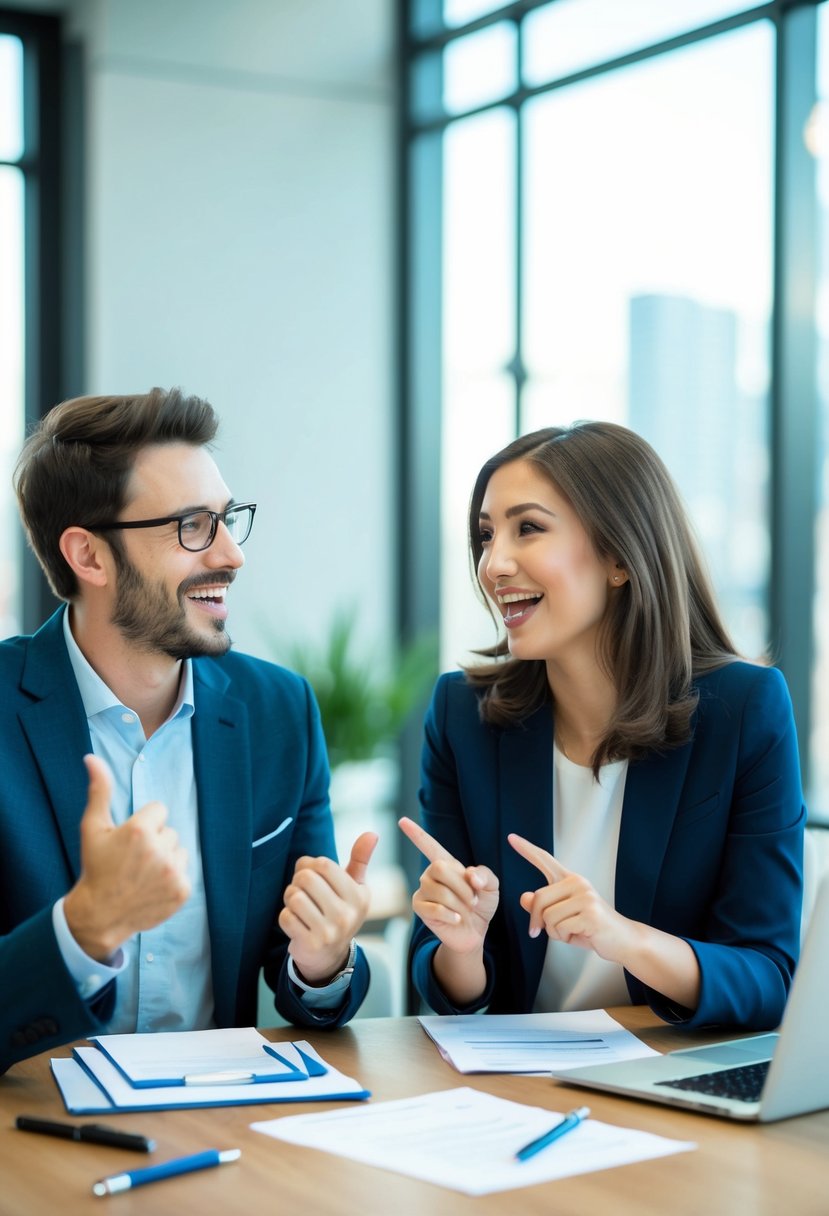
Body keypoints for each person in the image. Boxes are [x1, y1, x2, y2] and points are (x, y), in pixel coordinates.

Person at [1, 388, 377, 1073]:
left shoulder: (277, 711)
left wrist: (322, 961)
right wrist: (84, 929)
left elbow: (302, 988)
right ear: (89, 556)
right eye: (193, 526)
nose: (231, 554)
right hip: (31, 1137)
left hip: (219, 1131)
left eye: (228, 520)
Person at [400, 422, 805, 1030]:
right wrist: (461, 946)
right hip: (510, 1082)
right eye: (486, 535)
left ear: (619, 557)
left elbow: (769, 976)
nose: (493, 563)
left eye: (527, 528)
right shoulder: (464, 715)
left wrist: (623, 939)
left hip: (668, 1076)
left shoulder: (745, 708)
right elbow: (448, 983)